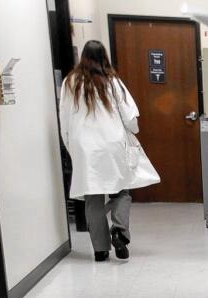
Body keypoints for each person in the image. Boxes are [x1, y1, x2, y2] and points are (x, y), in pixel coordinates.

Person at [59, 41, 160, 262]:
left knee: (93, 198)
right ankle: (120, 232)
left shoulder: (70, 83)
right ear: (104, 57)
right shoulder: (112, 81)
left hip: (84, 147)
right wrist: (134, 130)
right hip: (112, 143)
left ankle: (100, 250)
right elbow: (129, 116)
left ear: (83, 57)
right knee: (121, 191)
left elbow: (64, 122)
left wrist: (73, 150)